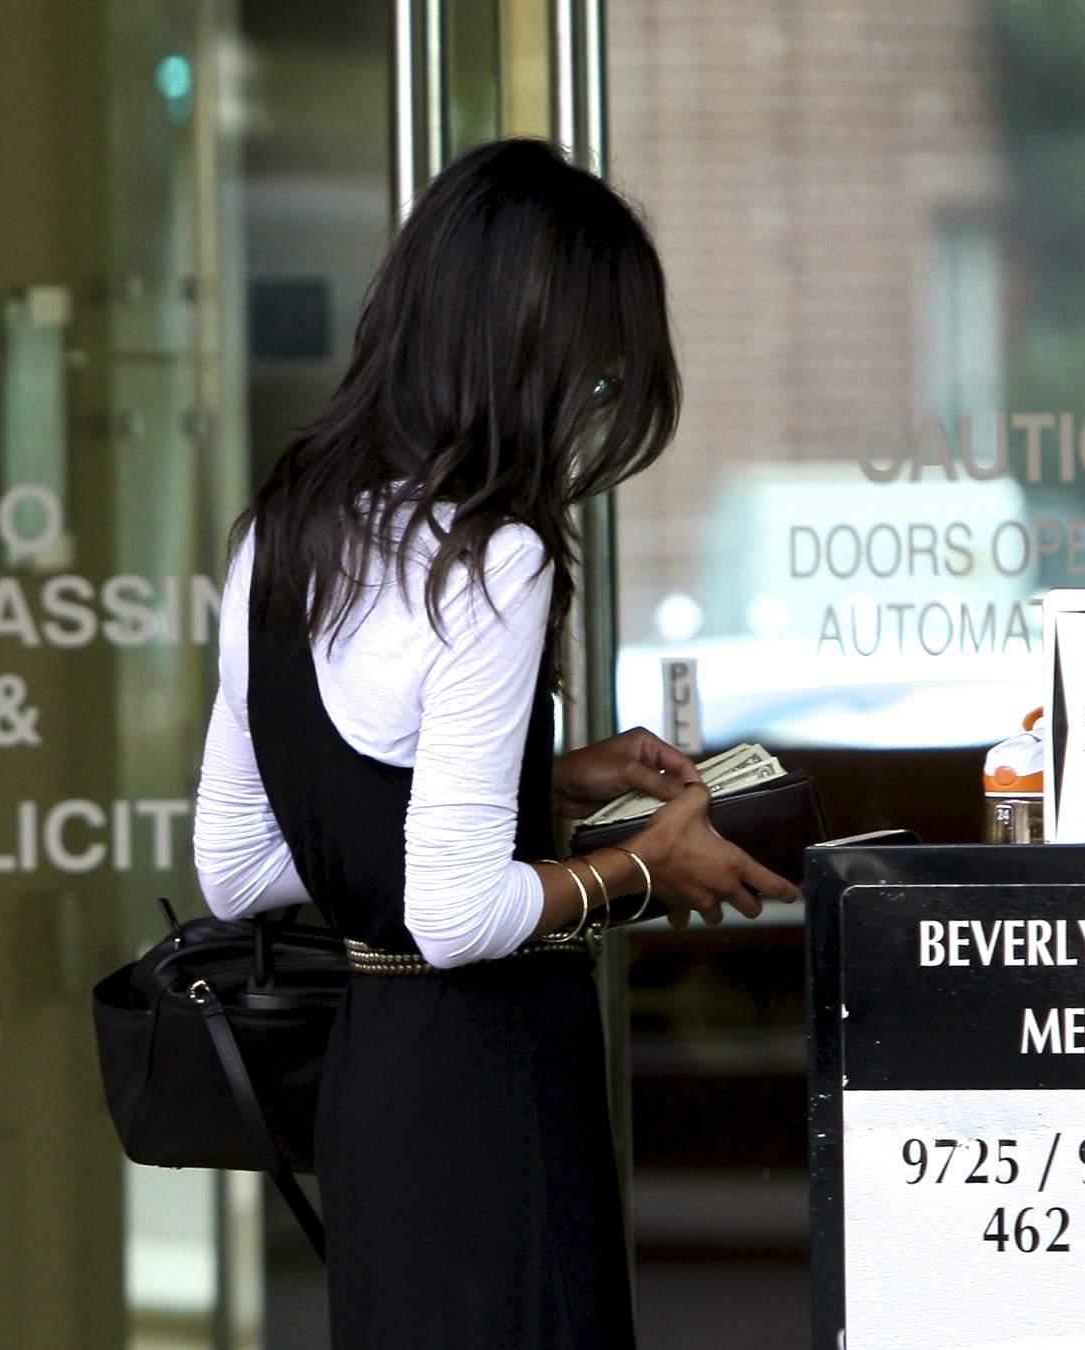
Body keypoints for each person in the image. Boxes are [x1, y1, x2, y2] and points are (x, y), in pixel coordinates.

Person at [191, 138, 795, 1348]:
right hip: (494, 1088)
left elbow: (242, 868)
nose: (595, 410)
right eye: (600, 379)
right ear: (541, 361)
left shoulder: (283, 534)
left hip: (375, 1094)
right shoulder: (494, 557)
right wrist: (643, 866)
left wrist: (546, 785)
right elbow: (457, 914)